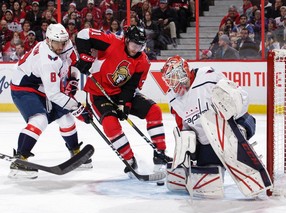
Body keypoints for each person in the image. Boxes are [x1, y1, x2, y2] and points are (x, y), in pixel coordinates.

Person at [160, 55, 269, 198]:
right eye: (169, 80)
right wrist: (188, 150)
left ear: (184, 71)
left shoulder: (207, 76)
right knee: (208, 182)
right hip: (208, 141)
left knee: (231, 139)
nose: (172, 84)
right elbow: (183, 126)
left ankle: (242, 150)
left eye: (174, 77)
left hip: (235, 124)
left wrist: (233, 120)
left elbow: (240, 97)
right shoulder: (173, 98)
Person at [74, 25, 172, 175]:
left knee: (154, 110)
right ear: (126, 40)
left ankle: (160, 153)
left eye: (140, 46)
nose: (136, 49)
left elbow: (131, 86)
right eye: (133, 45)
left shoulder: (143, 61)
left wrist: (124, 103)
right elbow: (83, 34)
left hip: (121, 93)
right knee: (110, 124)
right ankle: (130, 160)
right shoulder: (111, 41)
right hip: (98, 93)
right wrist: (84, 56)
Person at [9, 23, 93, 179]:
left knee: (65, 117)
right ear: (48, 40)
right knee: (39, 119)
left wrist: (74, 79)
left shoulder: (61, 44)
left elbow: (73, 62)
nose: (61, 46)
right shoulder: (47, 61)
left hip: (43, 87)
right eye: (57, 42)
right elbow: (54, 94)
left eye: (63, 41)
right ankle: (20, 160)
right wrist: (78, 109)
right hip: (25, 88)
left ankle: (75, 151)